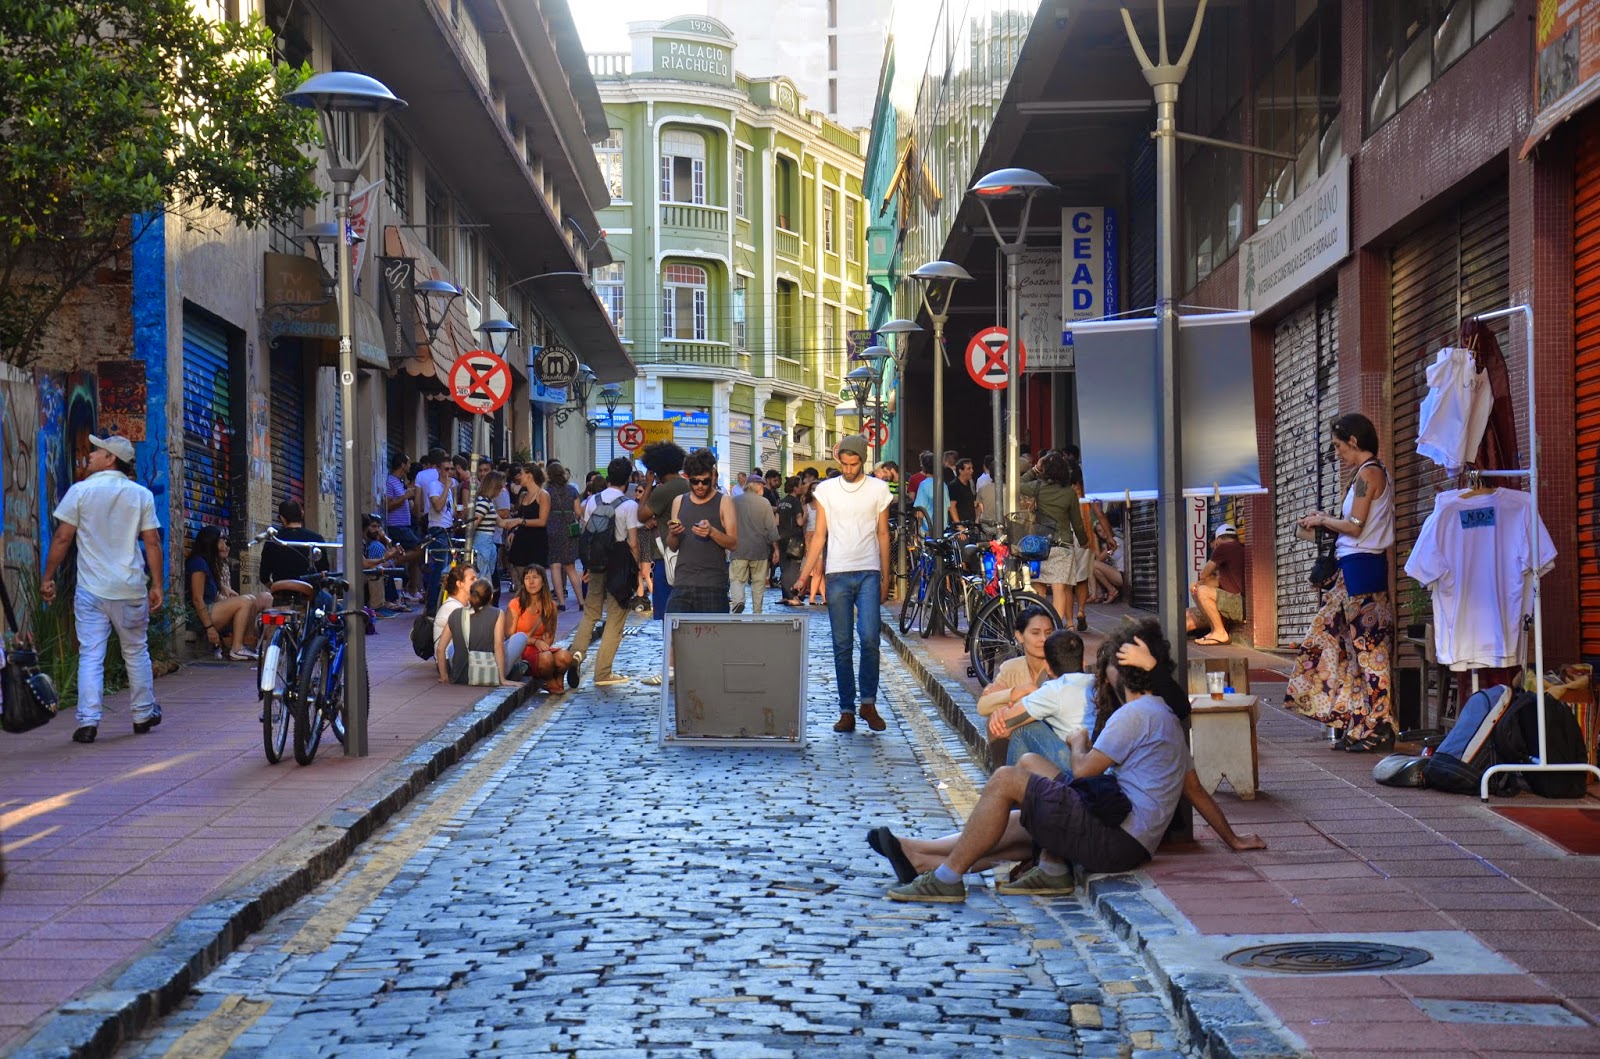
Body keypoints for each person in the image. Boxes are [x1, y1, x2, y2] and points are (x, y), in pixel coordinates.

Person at [877, 623, 1260, 902]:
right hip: (1126, 835)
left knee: (1006, 780)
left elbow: (1083, 770)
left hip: (1115, 835)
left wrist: (1078, 741)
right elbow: (1195, 790)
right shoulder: (1162, 715)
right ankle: (927, 857)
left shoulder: (1134, 715)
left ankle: (947, 877)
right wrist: (1234, 839)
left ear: (1120, 670)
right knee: (1025, 797)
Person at [41, 434, 164, 744]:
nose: (91, 455)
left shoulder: (80, 491)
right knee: (136, 651)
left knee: (90, 655)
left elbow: (62, 539)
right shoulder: (141, 495)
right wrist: (158, 584)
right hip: (130, 588)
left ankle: (87, 723)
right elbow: (152, 541)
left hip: (91, 590)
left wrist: (48, 577)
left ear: (111, 459)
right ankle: (142, 714)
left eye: (97, 451)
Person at [1286, 412, 1397, 753]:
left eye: (1338, 446)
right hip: (1355, 572)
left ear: (1354, 441)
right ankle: (1362, 721)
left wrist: (1322, 520)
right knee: (1351, 650)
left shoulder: (1369, 474)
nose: (1337, 453)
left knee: (1369, 654)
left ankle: (1377, 724)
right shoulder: (1365, 474)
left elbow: (1355, 525)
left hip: (1363, 572)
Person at [799, 435, 892, 734]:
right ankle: (847, 709)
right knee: (841, 645)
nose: (849, 469)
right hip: (837, 573)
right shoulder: (826, 490)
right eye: (845, 463)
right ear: (839, 460)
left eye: (854, 464)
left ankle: (868, 702)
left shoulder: (878, 489)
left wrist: (886, 575)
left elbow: (883, 534)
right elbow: (819, 536)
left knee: (869, 638)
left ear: (863, 461)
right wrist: (804, 576)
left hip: (868, 571)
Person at [569, 457, 644, 687]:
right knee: (615, 617)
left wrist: (588, 564)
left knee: (591, 613)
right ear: (628, 480)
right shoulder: (629, 505)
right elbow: (633, 542)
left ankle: (576, 654)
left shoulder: (592, 500)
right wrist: (639, 569)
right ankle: (602, 673)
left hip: (597, 563)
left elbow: (587, 534)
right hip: (620, 563)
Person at [1020, 452, 1092, 626]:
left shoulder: (1037, 487)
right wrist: (1083, 541)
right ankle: (1057, 627)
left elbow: (1018, 484)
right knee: (1059, 589)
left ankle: (1039, 625)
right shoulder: (1069, 494)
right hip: (1063, 546)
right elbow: (1077, 523)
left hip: (1039, 547)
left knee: (1039, 589)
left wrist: (1035, 469)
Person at [665, 448, 738, 615]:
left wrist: (712, 532)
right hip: (682, 582)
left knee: (712, 640)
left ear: (712, 476)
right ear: (687, 478)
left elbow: (733, 543)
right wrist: (673, 534)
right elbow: (673, 546)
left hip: (712, 585)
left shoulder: (724, 501)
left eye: (705, 481)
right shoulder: (679, 501)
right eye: (695, 481)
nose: (700, 486)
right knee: (674, 636)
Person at [186, 526, 258, 660]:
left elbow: (211, 592)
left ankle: (247, 644)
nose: (225, 545)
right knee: (245, 601)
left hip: (210, 611)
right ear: (211, 542)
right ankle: (236, 649)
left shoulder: (209, 564)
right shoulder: (198, 563)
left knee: (251, 599)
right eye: (222, 541)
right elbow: (197, 599)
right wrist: (209, 627)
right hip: (198, 617)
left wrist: (223, 588)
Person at [638, 442, 690, 622]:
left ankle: (670, 650)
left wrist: (648, 484)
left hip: (665, 557)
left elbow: (641, 514)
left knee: (666, 615)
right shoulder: (687, 486)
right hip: (687, 556)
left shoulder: (663, 491)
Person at [436, 579, 521, 687]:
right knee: (520, 637)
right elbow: (498, 645)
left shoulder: (456, 613)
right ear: (491, 596)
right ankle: (506, 673)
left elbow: (440, 648)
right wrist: (502, 679)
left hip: (461, 675)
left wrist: (444, 676)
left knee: (452, 647)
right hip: (488, 672)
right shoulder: (497, 613)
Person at [506, 565, 575, 695]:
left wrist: (541, 646)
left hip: (541, 650)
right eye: (527, 578)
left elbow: (549, 637)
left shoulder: (550, 606)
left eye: (535, 577)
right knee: (547, 658)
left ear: (543, 581)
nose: (531, 582)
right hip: (521, 650)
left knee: (565, 656)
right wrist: (534, 641)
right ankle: (548, 680)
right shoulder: (515, 604)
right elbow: (509, 635)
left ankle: (558, 677)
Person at [1187, 523, 1247, 646]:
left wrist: (1200, 583)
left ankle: (1219, 632)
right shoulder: (1239, 548)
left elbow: (1204, 574)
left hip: (1237, 603)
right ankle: (1215, 631)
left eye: (1214, 546)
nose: (1213, 549)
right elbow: (1216, 582)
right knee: (1198, 588)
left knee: (1201, 590)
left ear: (1218, 539)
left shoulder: (1223, 548)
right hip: (1240, 603)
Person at [729, 470, 777, 614]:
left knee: (737, 578)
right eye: (761, 486)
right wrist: (776, 548)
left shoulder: (734, 501)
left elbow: (728, 524)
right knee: (758, 582)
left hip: (738, 548)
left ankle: (738, 601)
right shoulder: (765, 503)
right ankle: (757, 611)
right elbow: (771, 528)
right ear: (756, 486)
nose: (763, 489)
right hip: (759, 549)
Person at [415, 449, 455, 615]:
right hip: (437, 530)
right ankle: (431, 608)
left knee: (446, 569)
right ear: (438, 470)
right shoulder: (434, 486)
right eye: (446, 469)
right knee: (439, 569)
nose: (449, 473)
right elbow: (437, 506)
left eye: (451, 469)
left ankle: (440, 604)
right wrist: (446, 487)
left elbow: (450, 510)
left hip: (448, 529)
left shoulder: (451, 489)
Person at [257, 499, 329, 589]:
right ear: (302, 514)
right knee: (333, 601)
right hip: (310, 595)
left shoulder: (273, 540)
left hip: (281, 594)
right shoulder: (316, 539)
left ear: (282, 518)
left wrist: (277, 590)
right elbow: (325, 573)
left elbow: (264, 577)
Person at [383, 451, 423, 604]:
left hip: (405, 525)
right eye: (407, 463)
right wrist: (405, 497)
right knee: (419, 548)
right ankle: (393, 563)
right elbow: (389, 505)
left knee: (416, 555)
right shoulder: (391, 482)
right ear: (402, 465)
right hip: (397, 526)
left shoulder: (399, 482)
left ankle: (412, 589)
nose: (409, 466)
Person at [544, 462, 582, 610]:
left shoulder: (547, 491)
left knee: (555, 566)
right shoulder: (572, 490)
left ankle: (561, 602)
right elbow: (578, 512)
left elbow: (544, 513)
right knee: (571, 567)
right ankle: (581, 601)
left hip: (552, 529)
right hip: (569, 530)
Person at [504, 464, 550, 581]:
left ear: (530, 476)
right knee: (521, 575)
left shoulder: (543, 495)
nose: (519, 477)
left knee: (536, 575)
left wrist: (520, 521)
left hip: (536, 541)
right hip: (521, 538)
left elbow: (542, 521)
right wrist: (514, 531)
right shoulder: (523, 495)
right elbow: (520, 516)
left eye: (522, 473)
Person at [469, 471, 507, 599]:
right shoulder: (484, 502)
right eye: (500, 487)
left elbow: (501, 522)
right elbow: (474, 523)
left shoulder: (488, 502)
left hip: (487, 543)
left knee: (486, 578)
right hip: (482, 543)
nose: (501, 490)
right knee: (483, 579)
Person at [432, 563, 476, 661]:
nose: (477, 582)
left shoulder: (467, 604)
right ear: (459, 584)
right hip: (450, 660)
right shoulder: (453, 607)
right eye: (472, 579)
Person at [775, 476, 808, 606]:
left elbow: (776, 521)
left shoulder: (782, 502)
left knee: (784, 568)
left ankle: (785, 595)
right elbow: (800, 522)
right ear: (795, 487)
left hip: (781, 537)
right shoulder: (796, 502)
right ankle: (792, 596)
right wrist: (805, 514)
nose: (801, 487)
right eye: (800, 485)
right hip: (794, 538)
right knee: (793, 568)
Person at [1090, 506, 1125, 604]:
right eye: (1099, 531)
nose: (1103, 533)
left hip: (1122, 576)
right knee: (1093, 567)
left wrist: (1095, 539)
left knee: (1093, 564)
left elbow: (1099, 559)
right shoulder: (1107, 544)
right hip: (1117, 574)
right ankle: (1102, 593)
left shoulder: (1115, 541)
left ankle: (1111, 591)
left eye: (1104, 529)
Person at [802, 479, 826, 606]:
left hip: (822, 537)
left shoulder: (826, 506)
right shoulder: (806, 507)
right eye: (812, 489)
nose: (815, 492)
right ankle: (812, 597)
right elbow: (803, 525)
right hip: (810, 539)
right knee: (817, 570)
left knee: (819, 570)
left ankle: (822, 596)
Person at [947, 458, 980, 525]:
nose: (972, 471)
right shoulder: (954, 486)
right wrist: (958, 525)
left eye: (972, 468)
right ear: (960, 471)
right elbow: (952, 507)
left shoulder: (969, 484)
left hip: (970, 524)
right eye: (969, 469)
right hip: (960, 527)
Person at [975, 456, 997, 532]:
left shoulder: (982, 489)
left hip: (986, 527)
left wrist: (977, 521)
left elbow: (980, 508)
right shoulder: (1008, 489)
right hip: (1002, 528)